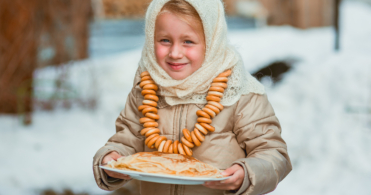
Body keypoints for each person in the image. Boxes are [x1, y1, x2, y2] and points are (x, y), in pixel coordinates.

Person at [92, 0, 292, 194]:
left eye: (188, 41)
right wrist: (111, 157)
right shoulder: (146, 89)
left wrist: (247, 173)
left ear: (212, 42)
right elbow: (126, 141)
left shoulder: (241, 94)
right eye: (165, 40)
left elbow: (273, 154)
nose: (175, 52)